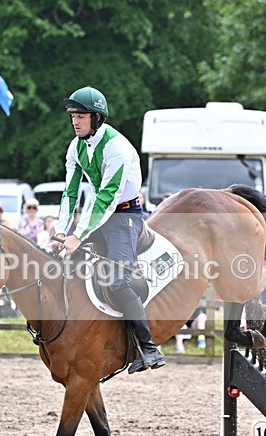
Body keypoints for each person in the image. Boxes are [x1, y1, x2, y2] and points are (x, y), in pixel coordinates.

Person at [54, 86, 164, 373]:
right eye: (72, 116)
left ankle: (149, 347)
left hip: (124, 217)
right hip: (99, 215)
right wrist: (60, 231)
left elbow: (107, 196)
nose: (75, 121)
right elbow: (70, 192)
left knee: (117, 282)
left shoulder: (117, 147)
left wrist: (78, 235)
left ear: (97, 118)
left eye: (81, 116)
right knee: (67, 265)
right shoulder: (76, 146)